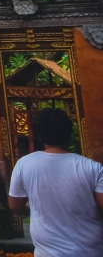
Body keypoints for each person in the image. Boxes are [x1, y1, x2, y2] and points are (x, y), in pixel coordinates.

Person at [8, 107, 103, 257]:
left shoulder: (24, 164)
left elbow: (15, 205)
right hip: (89, 251)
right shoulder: (92, 167)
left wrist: (39, 205)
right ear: (69, 133)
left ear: (39, 135)